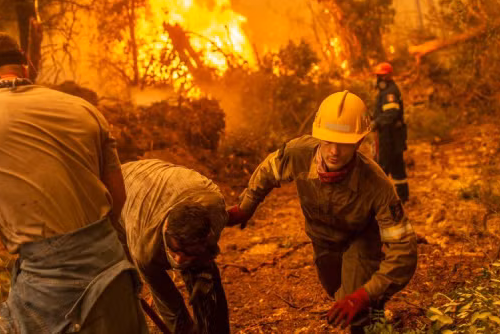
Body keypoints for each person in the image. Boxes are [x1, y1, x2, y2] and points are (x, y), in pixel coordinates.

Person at [0, 32, 147, 334]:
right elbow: (117, 198)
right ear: (27, 68)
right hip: (112, 272)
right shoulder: (85, 110)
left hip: (47, 289)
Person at [226, 91, 418, 333]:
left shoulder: (376, 184)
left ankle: (370, 316)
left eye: (344, 144)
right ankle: (370, 303)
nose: (334, 151)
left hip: (360, 241)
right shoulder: (298, 154)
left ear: (358, 143)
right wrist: (246, 207)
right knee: (335, 291)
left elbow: (404, 251)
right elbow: (268, 171)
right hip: (323, 241)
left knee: (356, 305)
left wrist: (363, 295)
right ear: (318, 137)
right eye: (328, 141)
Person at [120, 159, 230, 334]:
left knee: (203, 275)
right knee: (125, 275)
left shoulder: (215, 210)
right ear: (165, 230)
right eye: (175, 250)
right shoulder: (144, 249)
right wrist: (183, 329)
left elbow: (206, 258)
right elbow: (167, 301)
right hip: (121, 187)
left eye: (187, 252)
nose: (178, 259)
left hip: (177, 184)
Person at [372, 62, 409, 202]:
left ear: (388, 76)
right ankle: (403, 196)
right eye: (378, 75)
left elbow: (391, 113)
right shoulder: (385, 91)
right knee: (396, 165)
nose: (378, 79)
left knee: (382, 166)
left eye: (380, 76)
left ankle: (378, 198)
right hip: (391, 136)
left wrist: (376, 122)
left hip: (390, 136)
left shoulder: (390, 92)